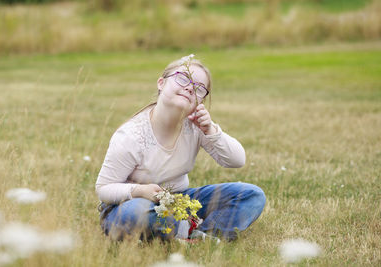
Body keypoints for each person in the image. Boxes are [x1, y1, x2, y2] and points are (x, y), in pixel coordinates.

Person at [96, 55, 266, 242]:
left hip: (178, 200)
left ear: (200, 101)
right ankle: (184, 227)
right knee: (136, 214)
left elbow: (237, 161)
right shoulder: (131, 135)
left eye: (199, 88)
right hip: (130, 203)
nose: (190, 87)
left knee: (252, 196)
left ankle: (202, 234)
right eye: (183, 78)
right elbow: (104, 188)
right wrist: (139, 191)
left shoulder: (196, 126)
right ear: (161, 83)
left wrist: (210, 129)